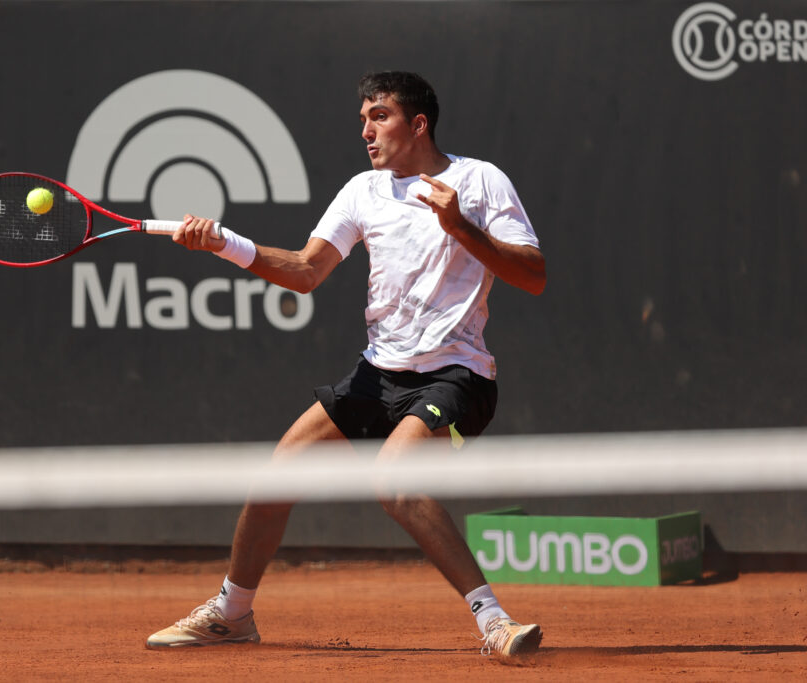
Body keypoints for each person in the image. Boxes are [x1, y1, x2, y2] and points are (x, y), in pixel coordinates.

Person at [146, 71, 547, 659]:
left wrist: (459, 225)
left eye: (378, 116)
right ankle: (232, 614)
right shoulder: (363, 190)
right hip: (377, 374)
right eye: (362, 118)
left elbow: (533, 276)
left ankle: (493, 623)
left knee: (394, 481)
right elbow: (307, 271)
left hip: (456, 375)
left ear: (418, 124)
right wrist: (223, 243)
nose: (366, 129)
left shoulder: (479, 181)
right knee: (274, 478)